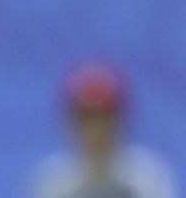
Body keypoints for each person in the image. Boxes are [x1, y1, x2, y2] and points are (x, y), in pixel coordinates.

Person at [31, 62, 178, 198]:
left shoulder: (148, 176)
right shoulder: (53, 182)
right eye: (87, 119)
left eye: (105, 118)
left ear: (121, 119)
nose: (96, 129)